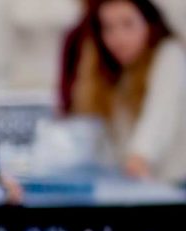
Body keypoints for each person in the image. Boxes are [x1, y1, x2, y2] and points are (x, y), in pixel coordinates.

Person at [68, 0, 186, 183]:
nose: (118, 37)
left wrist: (139, 157)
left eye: (128, 24)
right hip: (140, 183)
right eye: (108, 28)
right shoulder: (118, 74)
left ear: (149, 24)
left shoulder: (170, 55)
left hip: (174, 184)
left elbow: (159, 116)